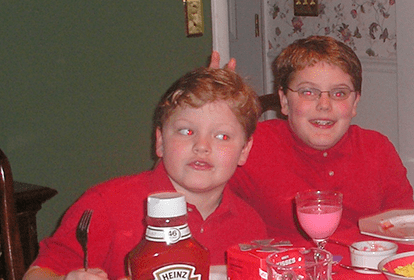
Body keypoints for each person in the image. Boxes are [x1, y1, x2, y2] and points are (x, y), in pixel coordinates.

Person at [23, 67, 267, 280]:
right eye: (186, 131)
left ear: (245, 150)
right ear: (159, 141)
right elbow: (37, 274)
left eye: (222, 136)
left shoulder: (251, 226)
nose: (202, 146)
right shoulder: (105, 205)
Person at [223, 35, 414, 245]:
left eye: (339, 93)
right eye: (308, 92)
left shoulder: (377, 150)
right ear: (284, 101)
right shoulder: (252, 147)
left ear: (354, 104)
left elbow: (403, 230)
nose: (324, 104)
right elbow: (198, 197)